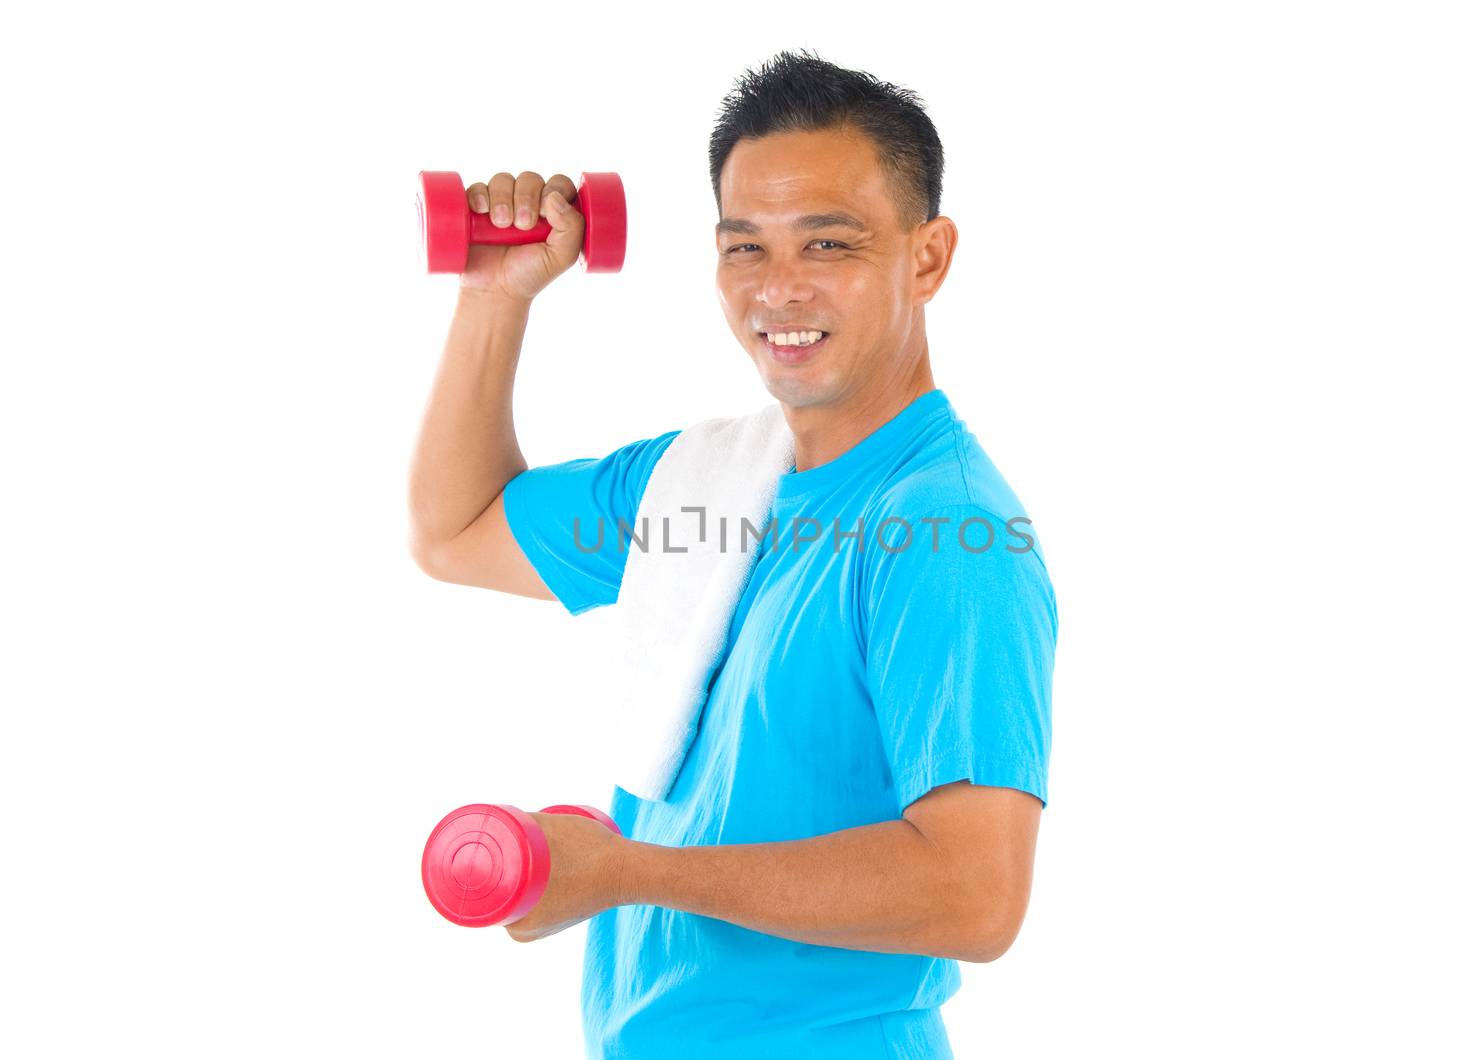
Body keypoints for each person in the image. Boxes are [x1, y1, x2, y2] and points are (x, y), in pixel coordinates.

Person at [407, 48, 1058, 1060]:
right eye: (744, 247)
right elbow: (457, 531)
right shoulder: (700, 488)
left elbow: (975, 895)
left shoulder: (949, 536)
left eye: (829, 244)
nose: (778, 290)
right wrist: (496, 296)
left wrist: (623, 873)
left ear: (926, 258)